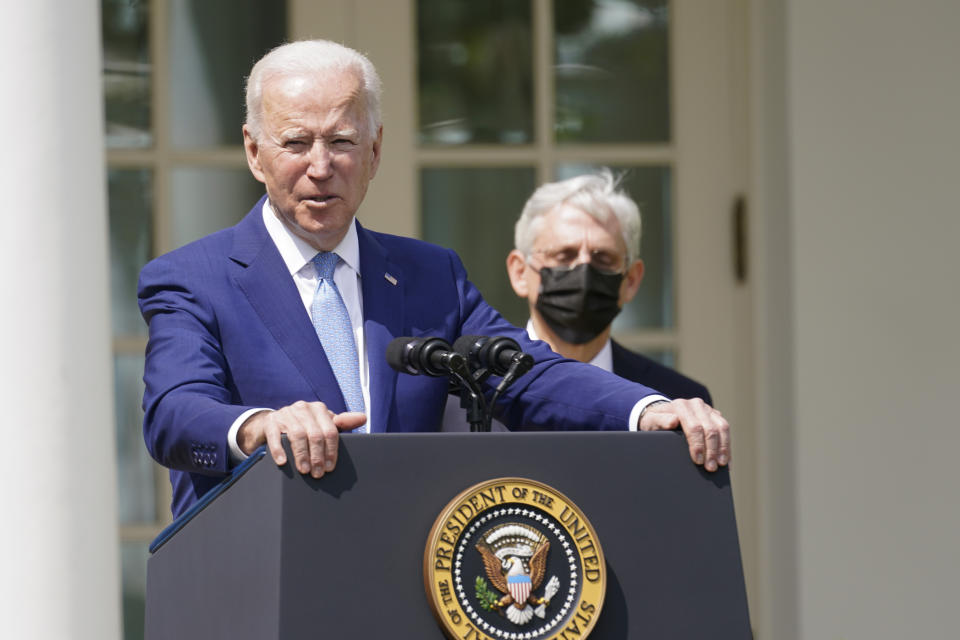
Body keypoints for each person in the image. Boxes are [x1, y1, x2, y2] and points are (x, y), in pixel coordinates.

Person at [138, 40, 730, 518]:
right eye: (296, 142)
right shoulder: (193, 279)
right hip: (260, 589)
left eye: (342, 142)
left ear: (374, 153)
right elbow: (173, 412)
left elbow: (527, 372)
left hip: (402, 589)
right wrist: (260, 426)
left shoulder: (428, 275)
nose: (321, 167)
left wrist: (647, 410)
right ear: (254, 152)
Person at [443, 170, 710, 431]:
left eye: (602, 259)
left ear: (630, 280)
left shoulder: (674, 400)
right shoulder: (463, 397)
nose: (584, 272)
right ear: (520, 272)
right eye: (563, 256)